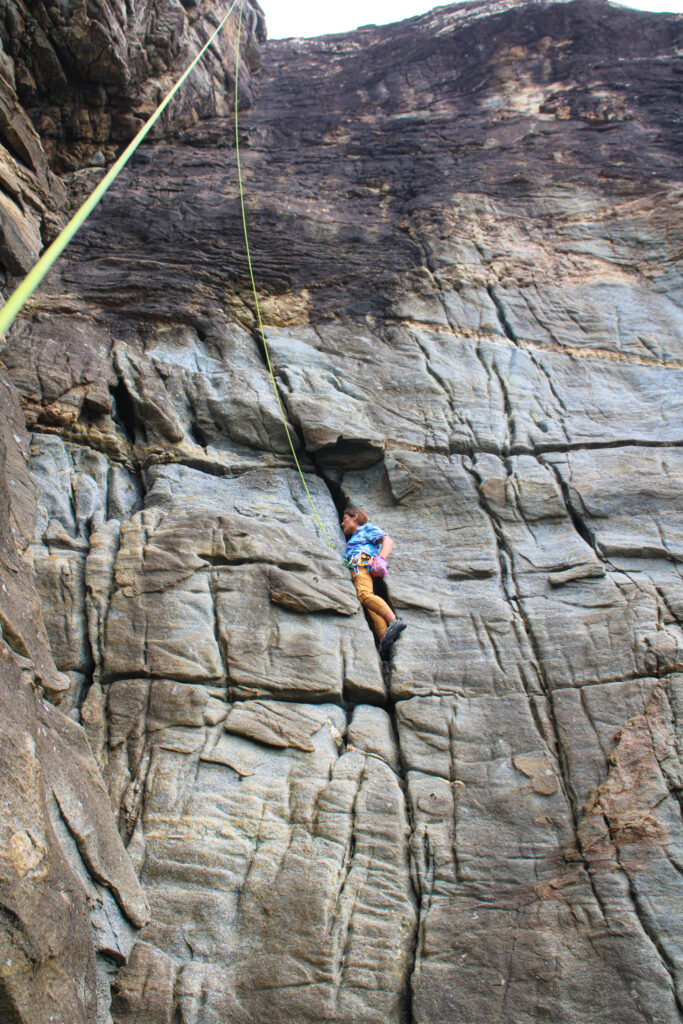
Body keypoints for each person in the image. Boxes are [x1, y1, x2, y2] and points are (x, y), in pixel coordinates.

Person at [341, 507, 407, 658]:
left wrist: (381, 558)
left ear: (355, 517)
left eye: (345, 519)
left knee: (364, 595)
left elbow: (387, 540)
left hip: (362, 564)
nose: (342, 523)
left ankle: (393, 621)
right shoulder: (356, 537)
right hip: (361, 564)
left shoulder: (367, 528)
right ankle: (384, 639)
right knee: (369, 604)